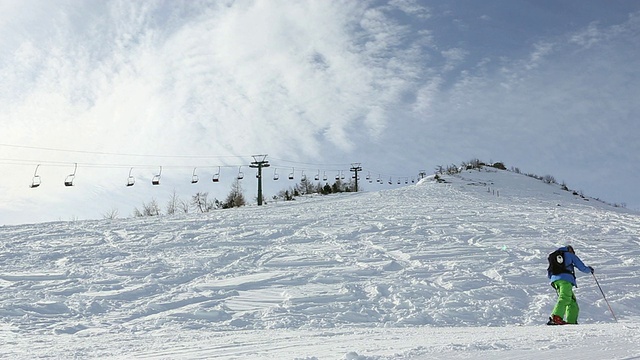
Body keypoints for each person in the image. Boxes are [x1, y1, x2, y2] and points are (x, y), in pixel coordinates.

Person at [547, 245, 594, 325]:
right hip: (566, 279)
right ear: (570, 250)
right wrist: (590, 269)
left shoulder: (554, 257)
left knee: (572, 302)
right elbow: (582, 267)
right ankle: (556, 317)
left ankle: (571, 322)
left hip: (555, 281)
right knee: (565, 298)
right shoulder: (570, 255)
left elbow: (549, 271)